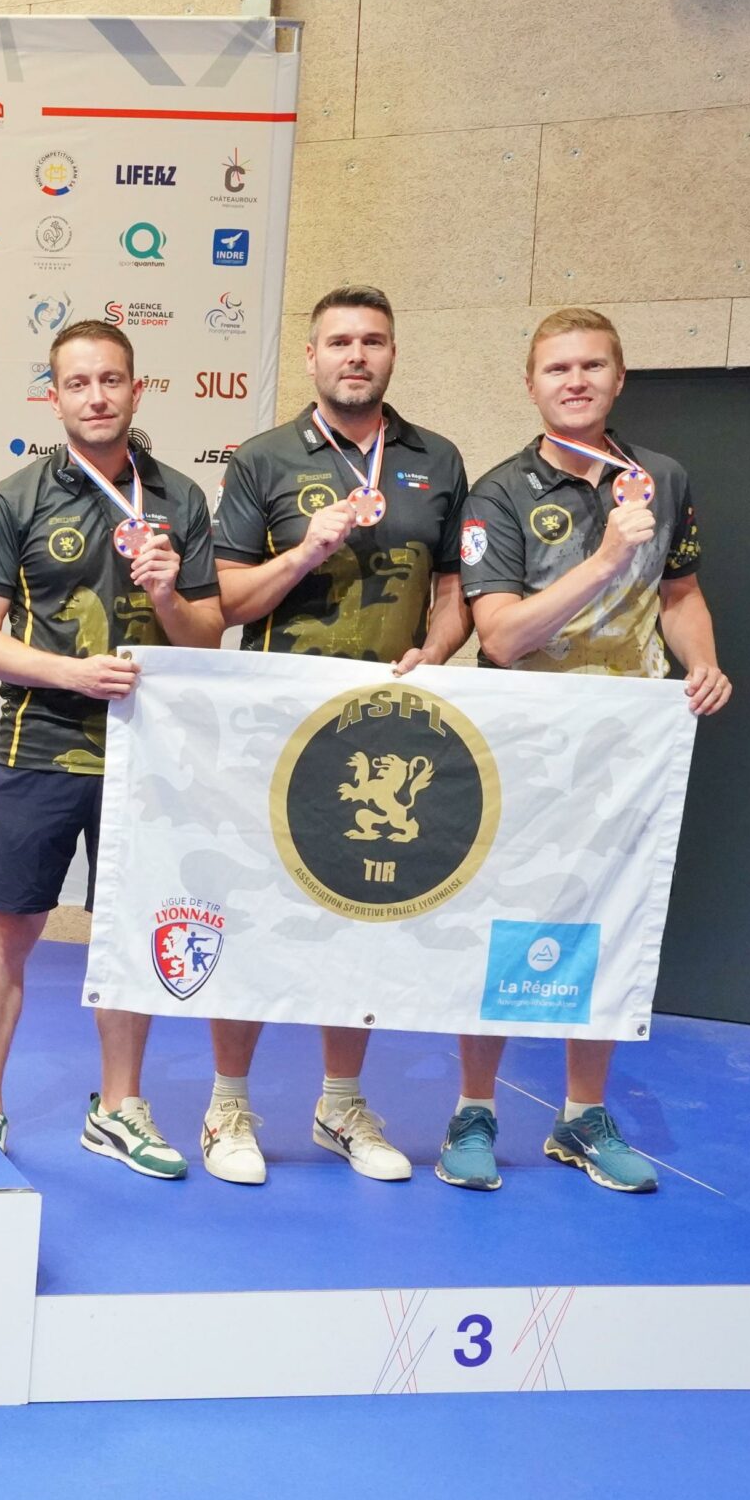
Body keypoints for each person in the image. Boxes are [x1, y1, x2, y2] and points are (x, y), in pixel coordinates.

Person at [450, 306, 731, 1194]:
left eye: (592, 366)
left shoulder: (662, 478)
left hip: (628, 744)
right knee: (501, 923)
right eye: (557, 368)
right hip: (525, 742)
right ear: (531, 385)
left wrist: (704, 661)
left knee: (608, 924)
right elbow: (501, 637)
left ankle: (581, 1116)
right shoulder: (498, 493)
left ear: (619, 378)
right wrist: (607, 557)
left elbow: (680, 593)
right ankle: (474, 1110)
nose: (575, 381)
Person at [198, 286, 472, 1185]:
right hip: (278, 726)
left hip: (387, 730)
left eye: (374, 341)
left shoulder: (437, 458)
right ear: (312, 356)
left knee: (363, 913)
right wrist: (306, 550)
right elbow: (226, 602)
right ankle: (227, 1105)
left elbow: (452, 589)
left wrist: (437, 649)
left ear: (392, 354)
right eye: (340, 341)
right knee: (253, 912)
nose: (357, 355)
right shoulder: (264, 459)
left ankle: (340, 1104)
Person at [0, 319, 222, 1172]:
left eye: (111, 380)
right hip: (41, 743)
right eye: (79, 383)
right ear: (55, 396)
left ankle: (119, 1106)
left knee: (129, 928)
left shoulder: (181, 498)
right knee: (11, 927)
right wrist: (72, 674)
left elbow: (207, 636)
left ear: (136, 390)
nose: (97, 397)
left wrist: (171, 594)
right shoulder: (14, 498)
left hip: (147, 755)